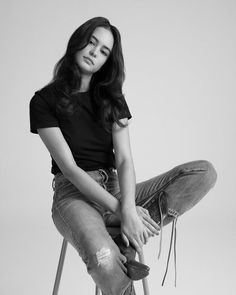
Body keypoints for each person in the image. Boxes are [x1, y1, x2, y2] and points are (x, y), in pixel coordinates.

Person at [29, 16, 217, 295]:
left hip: (117, 190)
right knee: (105, 259)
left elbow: (125, 160)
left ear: (108, 60)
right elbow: (70, 169)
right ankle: (117, 237)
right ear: (77, 42)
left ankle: (121, 232)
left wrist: (127, 208)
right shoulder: (43, 101)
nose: (94, 52)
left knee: (203, 172)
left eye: (104, 50)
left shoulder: (111, 98)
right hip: (74, 196)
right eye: (91, 42)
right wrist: (121, 211)